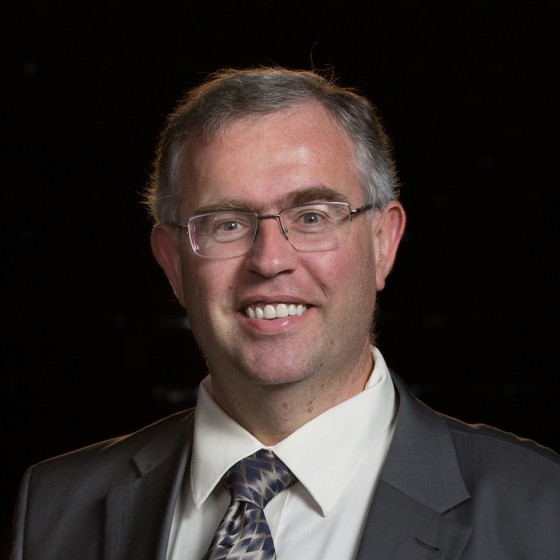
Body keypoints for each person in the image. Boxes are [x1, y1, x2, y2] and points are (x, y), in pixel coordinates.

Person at [9, 66, 560, 560]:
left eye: (312, 216)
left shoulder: (541, 510)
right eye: (227, 224)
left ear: (383, 243)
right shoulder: (53, 510)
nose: (270, 260)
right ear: (172, 263)